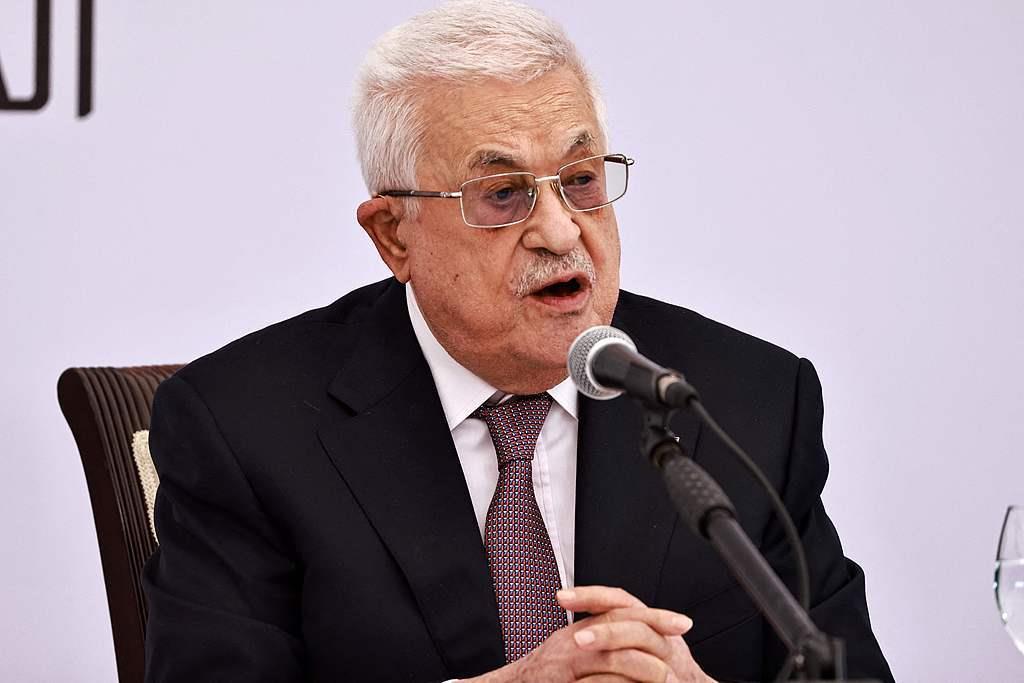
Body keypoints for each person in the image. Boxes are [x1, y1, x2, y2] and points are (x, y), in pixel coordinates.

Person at [143, 2, 893, 681]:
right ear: (394, 234)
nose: (561, 231)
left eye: (582, 180)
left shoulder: (748, 403)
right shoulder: (244, 429)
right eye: (503, 194)